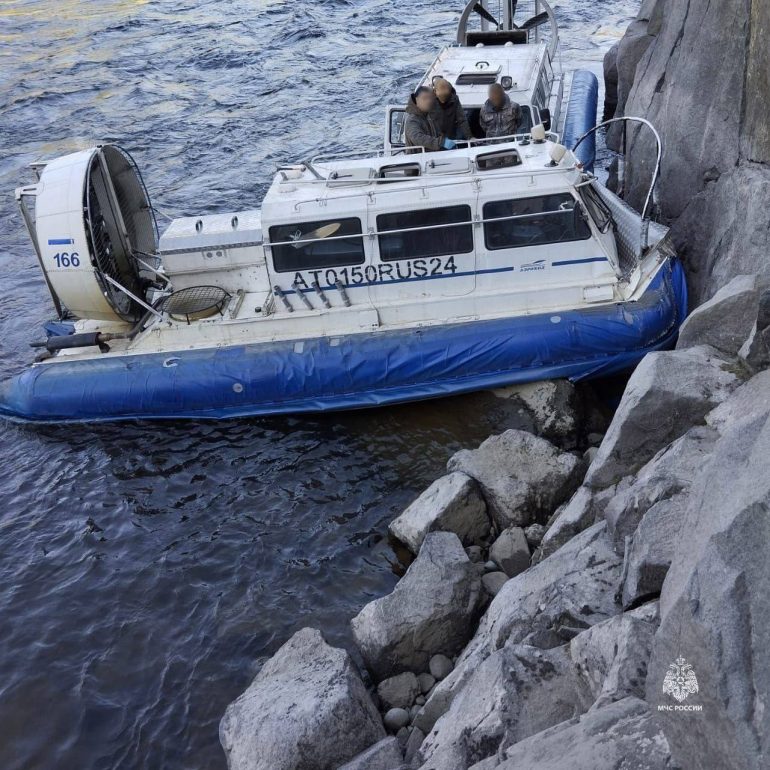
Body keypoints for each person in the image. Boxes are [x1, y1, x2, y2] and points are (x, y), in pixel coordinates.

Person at [404, 87, 456, 152]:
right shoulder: (412, 120)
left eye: (430, 98)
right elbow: (417, 138)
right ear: (416, 100)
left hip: (432, 156)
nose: (429, 101)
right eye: (424, 98)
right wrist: (442, 142)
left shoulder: (428, 116)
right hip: (418, 159)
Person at [431, 77, 473, 143]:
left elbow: (462, 120)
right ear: (434, 92)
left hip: (450, 135)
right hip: (434, 139)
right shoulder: (429, 101)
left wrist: (469, 137)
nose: (443, 101)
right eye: (441, 97)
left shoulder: (455, 99)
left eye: (446, 97)